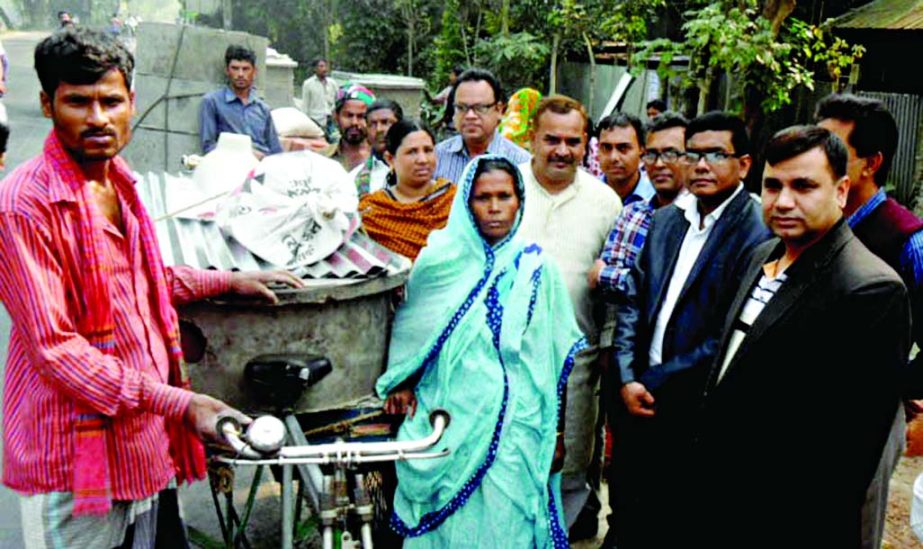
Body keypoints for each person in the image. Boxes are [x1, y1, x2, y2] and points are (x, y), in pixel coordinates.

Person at [0, 28, 304, 547]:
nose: (97, 118)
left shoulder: (119, 181)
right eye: (78, 102)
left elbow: (143, 280)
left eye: (110, 101)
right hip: (79, 451)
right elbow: (56, 349)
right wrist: (181, 404)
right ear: (48, 105)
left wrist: (228, 279)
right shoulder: (25, 204)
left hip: (140, 439)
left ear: (131, 103)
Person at [697, 125, 910, 548]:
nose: (784, 201)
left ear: (842, 190)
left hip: (786, 521)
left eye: (804, 186)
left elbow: (847, 456)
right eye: (773, 185)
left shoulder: (868, 288)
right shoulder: (764, 255)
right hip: (720, 501)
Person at [376, 154, 586, 548]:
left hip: (516, 425)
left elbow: (554, 361)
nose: (493, 208)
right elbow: (412, 332)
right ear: (465, 203)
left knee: (507, 524)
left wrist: (557, 433)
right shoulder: (439, 260)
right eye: (482, 197)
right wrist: (403, 381)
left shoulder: (537, 268)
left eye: (503, 196)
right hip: (449, 416)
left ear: (519, 201)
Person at [606, 111, 770, 549]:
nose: (700, 165)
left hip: (694, 410)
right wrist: (626, 376)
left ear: (745, 165)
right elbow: (631, 304)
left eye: (716, 154)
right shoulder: (665, 221)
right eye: (692, 153)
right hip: (635, 398)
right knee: (625, 509)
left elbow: (729, 334)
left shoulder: (758, 235)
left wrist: (653, 382)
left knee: (676, 520)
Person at [816, 93, 923, 549]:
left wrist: (902, 388)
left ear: (871, 162)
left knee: (852, 526)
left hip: (870, 416)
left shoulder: (906, 239)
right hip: (800, 408)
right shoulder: (810, 222)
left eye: (833, 149)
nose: (817, 159)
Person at [516, 95, 622, 537]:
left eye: (573, 141)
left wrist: (608, 349)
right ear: (531, 140)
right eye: (551, 140)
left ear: (586, 145)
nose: (562, 150)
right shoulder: (505, 188)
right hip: (507, 360)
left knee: (571, 463)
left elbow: (616, 289)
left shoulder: (605, 202)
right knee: (511, 461)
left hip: (576, 363)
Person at [589, 112, 689, 295]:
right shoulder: (632, 214)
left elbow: (674, 288)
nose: (659, 164)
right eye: (652, 154)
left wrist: (606, 274)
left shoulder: (700, 216)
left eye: (670, 154)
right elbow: (607, 291)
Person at [359, 119, 454, 261]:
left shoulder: (453, 201)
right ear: (390, 159)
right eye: (412, 152)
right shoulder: (373, 212)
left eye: (428, 150)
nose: (422, 159)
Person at [434, 68, 530, 183]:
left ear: (499, 110)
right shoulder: (436, 158)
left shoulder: (521, 163)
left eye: (480, 108)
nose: (470, 116)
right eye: (462, 108)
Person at [199, 45, 282, 159]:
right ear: (227, 70)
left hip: (261, 167)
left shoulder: (263, 109)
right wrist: (245, 153)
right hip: (229, 166)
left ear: (254, 72)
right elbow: (208, 147)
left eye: (245, 69)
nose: (240, 74)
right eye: (235, 68)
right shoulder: (212, 102)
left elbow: (276, 151)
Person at [596, 112, 654, 205]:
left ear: (641, 150)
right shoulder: (585, 196)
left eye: (623, 148)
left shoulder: (657, 199)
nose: (614, 157)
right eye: (606, 148)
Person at [350, 98, 403, 197]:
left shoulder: (418, 169)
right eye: (373, 124)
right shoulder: (354, 179)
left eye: (385, 122)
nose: (379, 129)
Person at [332, 83, 376, 172]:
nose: (354, 122)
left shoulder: (383, 158)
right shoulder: (323, 156)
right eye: (348, 115)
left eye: (361, 116)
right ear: (336, 117)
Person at [301, 58, 339, 138]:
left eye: (325, 66)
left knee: (333, 141)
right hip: (315, 120)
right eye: (321, 66)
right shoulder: (308, 84)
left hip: (330, 120)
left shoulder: (332, 83)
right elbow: (305, 105)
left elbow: (337, 100)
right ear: (315, 69)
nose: (324, 69)